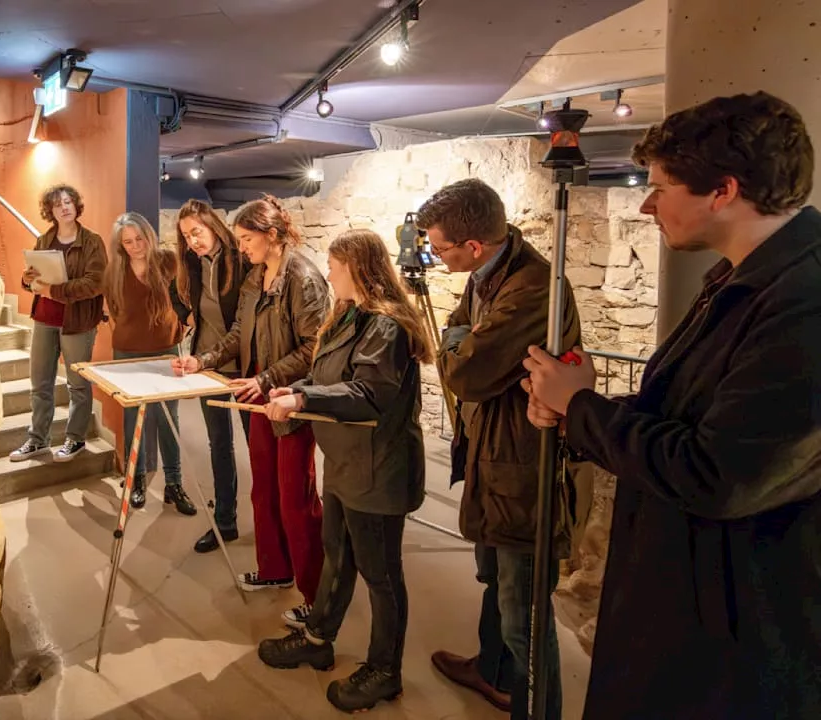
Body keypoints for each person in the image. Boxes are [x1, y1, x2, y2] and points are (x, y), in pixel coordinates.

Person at [524, 91, 821, 720]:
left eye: (661, 186)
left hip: (734, 644)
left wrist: (582, 411)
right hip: (695, 607)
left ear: (723, 190)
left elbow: (721, 475)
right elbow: (695, 414)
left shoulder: (805, 300)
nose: (645, 202)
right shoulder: (745, 278)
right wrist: (577, 407)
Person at [418, 178, 581, 720]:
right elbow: (458, 337)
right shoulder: (489, 275)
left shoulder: (534, 287)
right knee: (493, 578)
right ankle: (493, 671)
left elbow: (466, 373)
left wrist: (463, 348)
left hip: (522, 464)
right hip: (492, 453)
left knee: (524, 612)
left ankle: (537, 708)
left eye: (440, 249)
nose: (434, 257)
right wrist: (462, 342)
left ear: (473, 247)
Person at [254, 229, 433, 713]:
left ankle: (385, 670)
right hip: (346, 461)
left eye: (334, 266)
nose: (328, 273)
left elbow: (369, 393)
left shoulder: (386, 326)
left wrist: (303, 398)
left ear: (357, 268)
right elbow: (330, 373)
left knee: (381, 573)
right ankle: (318, 638)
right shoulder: (348, 315)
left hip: (378, 467)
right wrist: (293, 388)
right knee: (337, 557)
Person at [173, 195, 328, 618]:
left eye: (246, 240)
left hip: (287, 396)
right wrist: (201, 360)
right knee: (264, 488)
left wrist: (266, 378)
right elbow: (240, 330)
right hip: (257, 390)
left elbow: (315, 347)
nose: (241, 248)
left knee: (295, 496)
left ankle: (316, 596)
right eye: (239, 240)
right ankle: (275, 568)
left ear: (272, 236)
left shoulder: (303, 278)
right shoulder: (256, 277)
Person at [171, 199, 254, 552]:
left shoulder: (241, 258)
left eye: (197, 233)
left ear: (213, 227)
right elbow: (175, 293)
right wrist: (185, 317)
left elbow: (243, 321)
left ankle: (273, 521)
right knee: (219, 444)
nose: (192, 241)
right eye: (186, 235)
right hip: (207, 365)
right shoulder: (190, 261)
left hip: (246, 365)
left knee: (259, 445)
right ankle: (225, 520)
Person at [103, 211, 197, 515]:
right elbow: (114, 310)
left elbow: (184, 298)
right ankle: (137, 480)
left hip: (165, 350)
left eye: (138, 239)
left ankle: (174, 482)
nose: (134, 246)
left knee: (168, 419)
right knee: (133, 421)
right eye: (127, 242)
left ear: (148, 235)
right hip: (127, 354)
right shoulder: (115, 270)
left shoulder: (168, 261)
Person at [11, 184, 107, 463]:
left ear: (76, 206)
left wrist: (55, 291)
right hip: (44, 318)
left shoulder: (92, 241)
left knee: (78, 384)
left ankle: (75, 439)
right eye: (57, 204)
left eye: (68, 202)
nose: (64, 207)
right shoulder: (44, 239)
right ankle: (38, 439)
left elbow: (95, 284)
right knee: (40, 383)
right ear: (50, 211)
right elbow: (35, 279)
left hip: (77, 322)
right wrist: (27, 280)